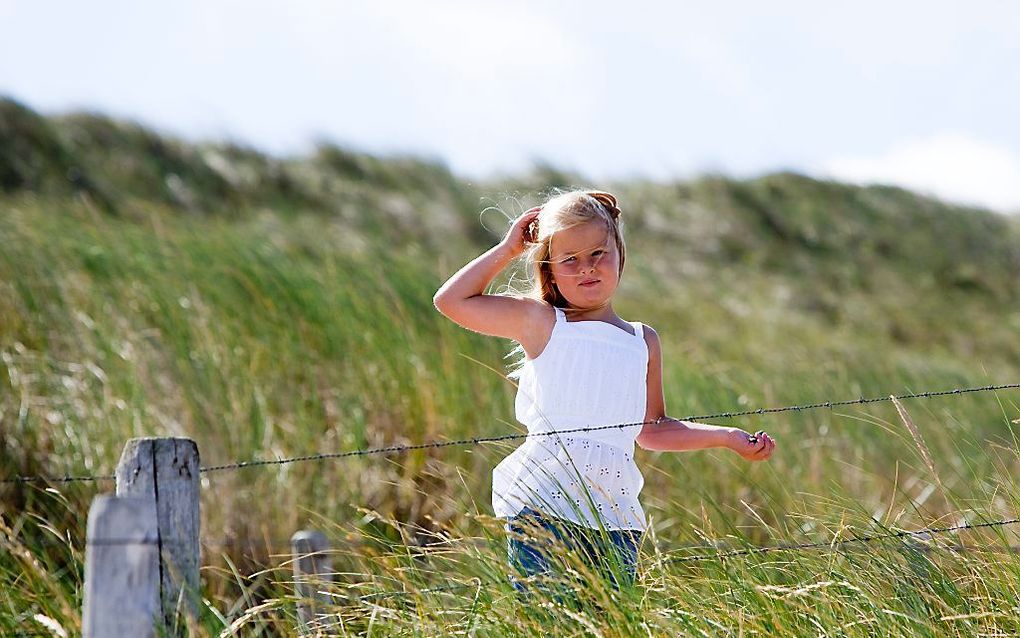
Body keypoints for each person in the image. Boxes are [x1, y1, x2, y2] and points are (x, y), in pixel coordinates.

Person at [433, 189, 776, 596]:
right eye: (570, 259)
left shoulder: (641, 340)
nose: (586, 268)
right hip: (544, 508)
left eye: (598, 253)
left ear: (620, 253)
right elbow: (451, 301)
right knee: (547, 621)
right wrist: (508, 249)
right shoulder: (542, 323)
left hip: (615, 519)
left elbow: (651, 429)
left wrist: (726, 438)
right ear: (551, 268)